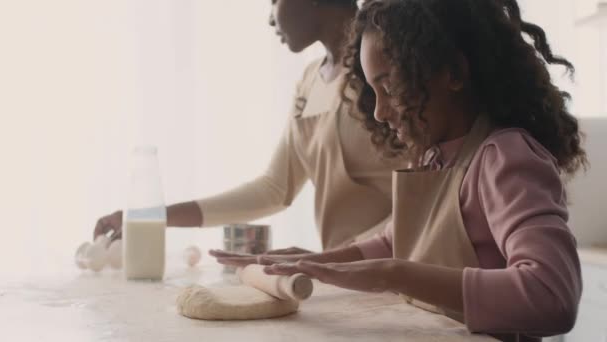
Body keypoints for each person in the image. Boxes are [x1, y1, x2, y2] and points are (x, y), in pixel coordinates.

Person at [210, 0, 586, 340]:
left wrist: (393, 274)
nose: (379, 112)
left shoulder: (506, 157)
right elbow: (393, 240)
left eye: (388, 86)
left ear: (452, 72)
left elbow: (552, 295)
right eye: (373, 92)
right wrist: (315, 262)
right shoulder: (433, 158)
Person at [94, 0, 404, 252]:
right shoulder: (311, 80)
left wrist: (347, 258)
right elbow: (274, 189)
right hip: (346, 276)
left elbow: (425, 196)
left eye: (273, 2)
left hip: (393, 274)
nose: (271, 19)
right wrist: (152, 217)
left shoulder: (390, 66)